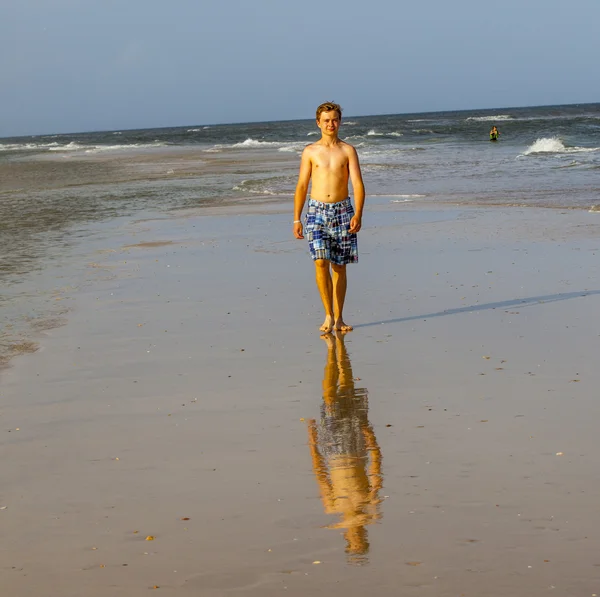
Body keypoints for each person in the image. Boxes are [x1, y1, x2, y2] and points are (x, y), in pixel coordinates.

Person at [307, 333, 383, 564]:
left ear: (347, 538)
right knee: (346, 392)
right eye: (359, 539)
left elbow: (320, 474)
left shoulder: (332, 508)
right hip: (355, 444)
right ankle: (337, 354)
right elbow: (376, 471)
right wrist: (372, 442)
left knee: (330, 398)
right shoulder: (371, 506)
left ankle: (334, 354)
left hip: (333, 447)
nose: (357, 535)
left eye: (356, 540)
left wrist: (313, 443)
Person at [293, 101, 366, 334]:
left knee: (339, 266)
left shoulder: (348, 150)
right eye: (326, 120)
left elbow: (357, 184)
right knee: (320, 261)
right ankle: (328, 314)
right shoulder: (310, 151)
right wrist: (297, 219)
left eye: (334, 119)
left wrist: (358, 213)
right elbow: (302, 185)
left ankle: (340, 318)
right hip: (316, 211)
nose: (330, 124)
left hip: (343, 211)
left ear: (340, 121)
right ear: (318, 123)